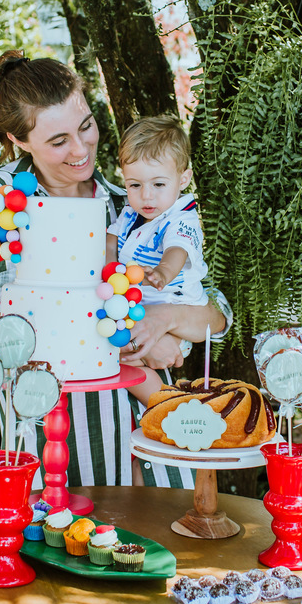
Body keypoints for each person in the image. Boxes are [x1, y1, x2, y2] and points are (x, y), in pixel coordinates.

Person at [0, 51, 231, 488]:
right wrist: (135, 344)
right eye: (58, 140)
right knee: (70, 543)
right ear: (18, 138)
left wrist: (163, 322)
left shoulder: (129, 202)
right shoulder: (2, 198)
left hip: (150, 430)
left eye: (86, 125)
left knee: (160, 548)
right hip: (57, 434)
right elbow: (6, 318)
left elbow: (214, 313)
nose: (81, 148)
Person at [106, 115, 209, 405]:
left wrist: (163, 272)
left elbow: (177, 250)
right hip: (140, 307)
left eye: (158, 184)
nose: (146, 195)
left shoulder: (179, 217)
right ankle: (169, 402)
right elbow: (111, 240)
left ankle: (164, 404)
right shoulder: (130, 213)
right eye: (135, 185)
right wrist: (105, 270)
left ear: (183, 179)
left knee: (124, 358)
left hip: (173, 305)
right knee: (122, 355)